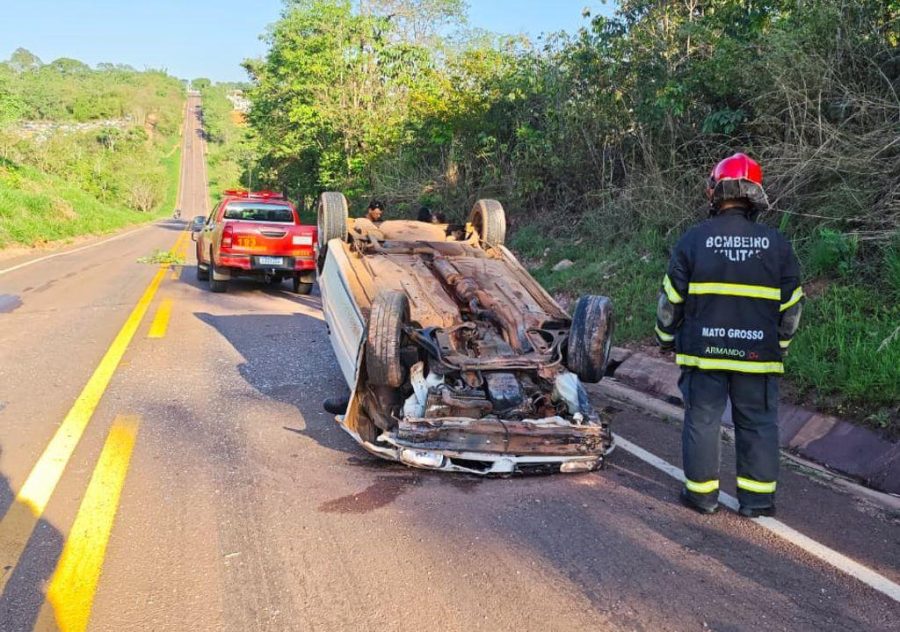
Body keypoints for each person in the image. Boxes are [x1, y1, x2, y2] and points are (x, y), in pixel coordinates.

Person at [655, 153, 803, 518]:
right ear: (754, 194)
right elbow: (792, 309)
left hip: (704, 354)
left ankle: (702, 497)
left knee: (703, 420)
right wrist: (779, 346)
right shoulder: (777, 244)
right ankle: (757, 501)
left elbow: (670, 302)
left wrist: (665, 337)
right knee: (758, 423)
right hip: (758, 357)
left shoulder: (693, 240)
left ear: (715, 191)